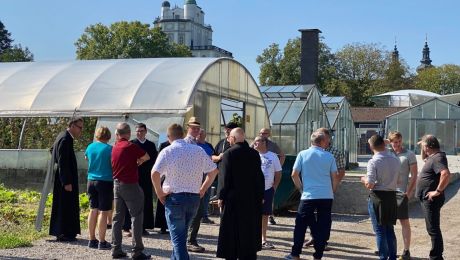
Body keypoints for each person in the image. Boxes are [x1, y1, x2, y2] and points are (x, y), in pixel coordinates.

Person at [151, 123, 218, 260]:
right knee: (181, 237)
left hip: (175, 199)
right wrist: (203, 189)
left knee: (178, 240)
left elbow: (154, 173)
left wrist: (159, 193)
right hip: (194, 198)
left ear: (169, 137)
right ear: (182, 134)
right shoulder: (198, 150)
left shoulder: (168, 151)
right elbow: (214, 171)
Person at [285, 129, 339, 260]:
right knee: (323, 225)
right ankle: (318, 256)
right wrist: (332, 190)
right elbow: (335, 177)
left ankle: (295, 253)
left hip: (308, 195)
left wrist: (301, 189)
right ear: (321, 141)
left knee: (301, 225)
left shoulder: (303, 154)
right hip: (326, 196)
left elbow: (294, 174)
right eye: (327, 141)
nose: (328, 142)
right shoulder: (329, 156)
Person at [216, 128, 265, 260]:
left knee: (231, 229)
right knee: (248, 228)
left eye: (229, 138)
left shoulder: (228, 154)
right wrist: (261, 196)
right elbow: (259, 177)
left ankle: (231, 254)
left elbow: (224, 178)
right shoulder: (254, 154)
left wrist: (221, 196)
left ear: (233, 138)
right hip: (251, 199)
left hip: (233, 199)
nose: (228, 140)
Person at [111, 123, 151, 260]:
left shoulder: (115, 147)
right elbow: (147, 157)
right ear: (128, 134)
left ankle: (116, 249)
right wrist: (138, 161)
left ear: (117, 134)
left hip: (116, 184)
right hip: (130, 185)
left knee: (117, 218)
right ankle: (137, 251)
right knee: (137, 217)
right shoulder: (131, 146)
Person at [304, 127, 346, 250]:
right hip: (311, 189)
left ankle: (323, 240)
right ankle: (314, 236)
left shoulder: (335, 152)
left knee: (324, 217)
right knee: (309, 214)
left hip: (326, 189)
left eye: (322, 136)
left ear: (327, 138)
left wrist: (334, 186)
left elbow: (341, 171)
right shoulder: (310, 150)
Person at [361, 134, 400, 260]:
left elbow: (370, 184)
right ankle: (392, 257)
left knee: (379, 231)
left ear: (371, 147)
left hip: (378, 197)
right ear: (384, 144)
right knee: (390, 229)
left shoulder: (373, 161)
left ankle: (383, 257)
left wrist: (363, 179)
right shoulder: (395, 159)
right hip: (392, 196)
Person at [49, 117, 84, 242]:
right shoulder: (65, 139)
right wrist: (67, 182)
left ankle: (66, 231)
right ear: (72, 126)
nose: (81, 130)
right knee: (65, 204)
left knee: (64, 204)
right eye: (80, 127)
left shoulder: (63, 136)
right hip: (65, 178)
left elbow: (52, 150)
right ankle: (63, 232)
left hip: (63, 177)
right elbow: (63, 162)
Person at [416, 135, 450, 260]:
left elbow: (446, 174)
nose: (422, 149)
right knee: (432, 227)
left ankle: (436, 257)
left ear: (427, 146)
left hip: (431, 199)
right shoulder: (434, 157)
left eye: (423, 146)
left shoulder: (438, 157)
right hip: (428, 199)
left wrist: (437, 191)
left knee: (433, 228)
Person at [123, 123, 158, 236]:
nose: (139, 133)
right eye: (137, 131)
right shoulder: (131, 143)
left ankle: (143, 226)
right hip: (134, 176)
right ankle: (128, 226)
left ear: (146, 131)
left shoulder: (151, 145)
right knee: (131, 201)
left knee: (146, 201)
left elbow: (154, 160)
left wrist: (143, 161)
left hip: (147, 177)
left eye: (141, 131)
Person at [388, 131, 418, 260]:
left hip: (401, 193)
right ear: (390, 142)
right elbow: (372, 143)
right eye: (395, 142)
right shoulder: (387, 153)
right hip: (386, 192)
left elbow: (414, 175)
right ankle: (387, 248)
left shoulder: (409, 154)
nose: (398, 144)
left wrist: (409, 192)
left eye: (399, 141)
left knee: (404, 221)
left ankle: (406, 251)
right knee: (385, 223)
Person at [182, 117, 211, 253]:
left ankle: (189, 240)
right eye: (193, 128)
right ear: (188, 128)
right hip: (190, 184)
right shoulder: (187, 144)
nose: (195, 130)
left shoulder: (199, 145)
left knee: (197, 213)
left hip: (199, 182)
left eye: (197, 128)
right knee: (192, 213)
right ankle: (188, 241)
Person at [85, 126, 113, 250]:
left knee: (93, 209)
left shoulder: (90, 147)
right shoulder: (110, 149)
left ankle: (91, 239)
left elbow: (87, 158)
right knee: (103, 211)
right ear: (108, 136)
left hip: (91, 180)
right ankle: (102, 241)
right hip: (105, 181)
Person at [253, 135, 282, 250]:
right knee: (252, 215)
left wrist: (274, 187)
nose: (254, 144)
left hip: (267, 189)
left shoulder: (273, 156)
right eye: (254, 142)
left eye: (257, 141)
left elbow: (278, 173)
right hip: (254, 191)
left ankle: (263, 239)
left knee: (265, 215)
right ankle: (252, 238)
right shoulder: (251, 156)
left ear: (264, 143)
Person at [258, 128, 285, 225]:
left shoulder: (273, 145)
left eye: (264, 133)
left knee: (270, 195)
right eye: (261, 133)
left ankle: (269, 215)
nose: (262, 134)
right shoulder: (256, 143)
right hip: (257, 176)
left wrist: (277, 167)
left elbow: (282, 155)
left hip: (269, 174)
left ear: (269, 134)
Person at [213, 122, 239, 200]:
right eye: (225, 130)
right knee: (221, 199)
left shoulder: (240, 144)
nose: (226, 132)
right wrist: (218, 157)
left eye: (229, 130)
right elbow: (212, 157)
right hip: (221, 176)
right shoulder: (221, 143)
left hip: (234, 177)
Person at [196, 129, 216, 224]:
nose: (199, 135)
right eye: (198, 133)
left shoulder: (208, 145)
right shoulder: (194, 145)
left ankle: (204, 215)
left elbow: (213, 156)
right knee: (198, 194)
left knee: (206, 195)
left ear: (205, 135)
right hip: (197, 172)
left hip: (208, 172)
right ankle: (197, 215)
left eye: (201, 134)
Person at [154, 140, 170, 235]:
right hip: (164, 175)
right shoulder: (164, 145)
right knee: (162, 201)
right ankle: (162, 226)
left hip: (176, 177)